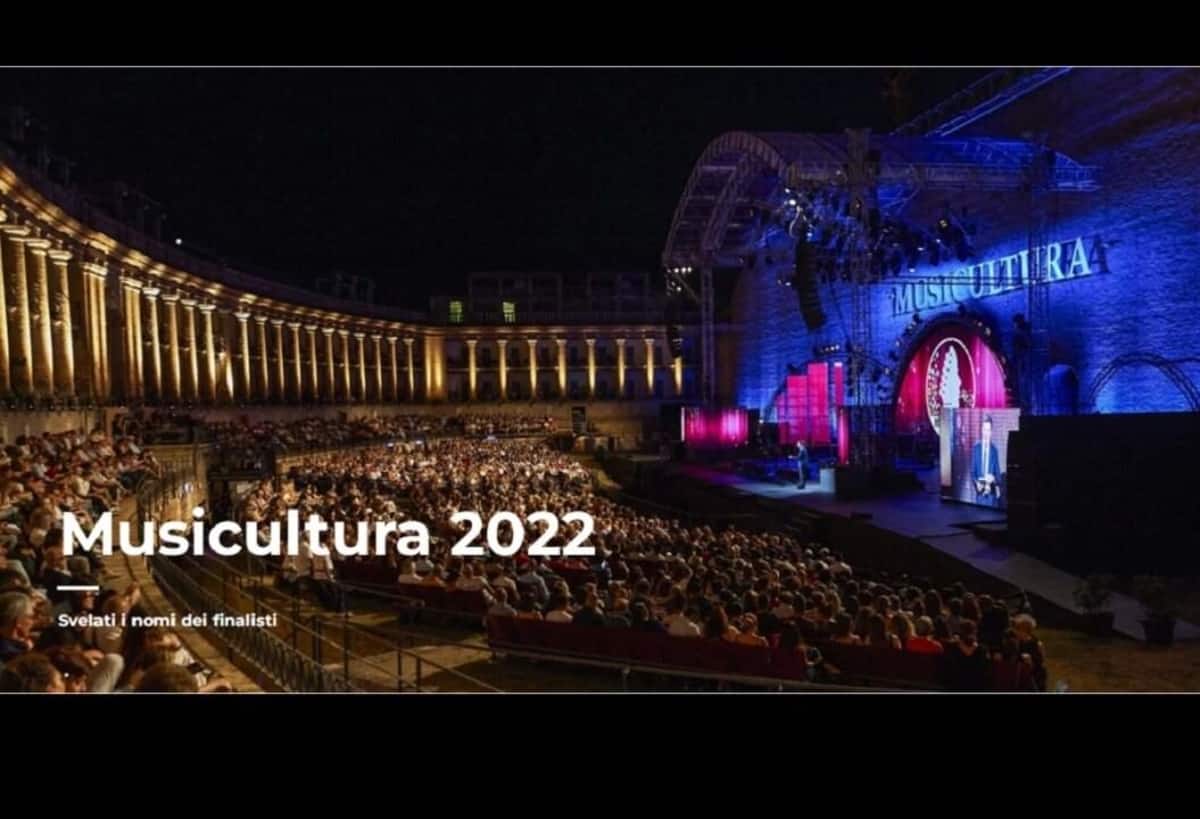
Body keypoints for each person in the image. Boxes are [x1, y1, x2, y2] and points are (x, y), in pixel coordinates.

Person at [970, 416, 1002, 506]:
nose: (986, 433)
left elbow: (998, 477)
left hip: (992, 498)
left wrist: (993, 478)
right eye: (984, 429)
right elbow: (972, 472)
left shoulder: (994, 451)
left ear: (991, 432)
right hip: (979, 496)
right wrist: (977, 483)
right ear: (981, 430)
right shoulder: (976, 449)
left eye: (988, 430)